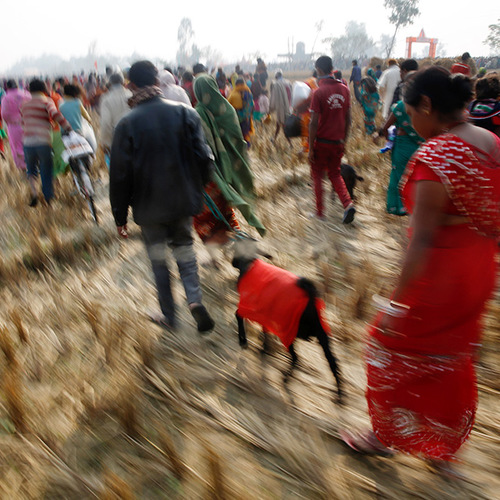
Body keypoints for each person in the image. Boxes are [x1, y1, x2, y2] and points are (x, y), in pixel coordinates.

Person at [342, 67, 500, 479]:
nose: (410, 121)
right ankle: (444, 454)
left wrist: (397, 303)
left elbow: (422, 241)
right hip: (478, 273)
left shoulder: (436, 157)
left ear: (427, 105)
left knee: (383, 349)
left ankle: (386, 435)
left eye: (411, 112)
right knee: (452, 360)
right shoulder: (491, 143)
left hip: (438, 280)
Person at [109, 60, 215, 333]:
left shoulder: (126, 124)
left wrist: (119, 216)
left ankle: (169, 316)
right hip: (182, 201)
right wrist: (197, 186)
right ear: (157, 81)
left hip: (149, 208)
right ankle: (194, 301)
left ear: (130, 86)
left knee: (159, 261)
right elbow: (205, 158)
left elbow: (119, 175)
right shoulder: (185, 112)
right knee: (185, 249)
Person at [193, 73, 265, 248]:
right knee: (226, 211)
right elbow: (236, 142)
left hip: (210, 176)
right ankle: (242, 246)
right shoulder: (228, 109)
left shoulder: (197, 114)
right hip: (230, 172)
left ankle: (217, 252)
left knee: (203, 218)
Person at [308, 56, 355, 223]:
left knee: (317, 176)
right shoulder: (345, 89)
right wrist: (344, 140)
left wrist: (311, 148)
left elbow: (313, 123)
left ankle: (320, 213)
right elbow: (349, 119)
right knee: (335, 174)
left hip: (321, 142)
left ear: (319, 71)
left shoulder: (318, 92)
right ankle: (348, 204)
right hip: (338, 142)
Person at [377, 73, 424, 215]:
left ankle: (398, 207)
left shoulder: (400, 107)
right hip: (419, 147)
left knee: (398, 176)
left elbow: (385, 128)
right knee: (415, 177)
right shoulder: (424, 106)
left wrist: (389, 141)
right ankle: (413, 207)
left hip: (402, 146)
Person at [21, 79, 72, 206]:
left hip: (28, 143)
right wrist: (67, 126)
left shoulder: (24, 105)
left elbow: (24, 122)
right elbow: (54, 114)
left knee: (31, 170)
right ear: (43, 90)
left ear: (30, 91)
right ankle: (48, 199)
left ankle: (34, 192)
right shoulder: (47, 101)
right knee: (46, 170)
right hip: (43, 141)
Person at [99, 72, 132, 163]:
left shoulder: (106, 99)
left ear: (109, 84)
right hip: (134, 139)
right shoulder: (131, 95)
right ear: (123, 82)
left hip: (117, 140)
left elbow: (105, 124)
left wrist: (106, 143)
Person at [1, 79, 31, 170]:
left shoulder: (6, 98)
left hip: (14, 126)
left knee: (18, 148)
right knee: (30, 145)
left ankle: (24, 169)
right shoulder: (26, 94)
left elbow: (4, 114)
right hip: (29, 124)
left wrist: (9, 123)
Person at [228, 77, 254, 144]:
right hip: (247, 118)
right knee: (246, 135)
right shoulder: (248, 93)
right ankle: (247, 148)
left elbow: (229, 105)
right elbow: (252, 105)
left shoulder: (234, 93)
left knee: (239, 136)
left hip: (237, 118)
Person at [269, 70, 292, 144]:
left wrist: (271, 108)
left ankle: (290, 143)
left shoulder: (277, 85)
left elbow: (274, 98)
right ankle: (274, 138)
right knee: (278, 124)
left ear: (276, 76)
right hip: (289, 107)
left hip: (281, 107)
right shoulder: (288, 83)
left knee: (282, 125)